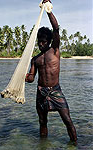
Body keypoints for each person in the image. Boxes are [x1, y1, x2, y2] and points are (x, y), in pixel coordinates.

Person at [25, 0, 77, 143]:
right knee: (42, 121)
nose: (41, 44)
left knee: (67, 119)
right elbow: (31, 79)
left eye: (43, 41)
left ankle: (75, 144)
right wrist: (24, 78)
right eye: (39, 42)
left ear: (48, 41)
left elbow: (56, 29)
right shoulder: (35, 59)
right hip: (41, 92)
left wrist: (48, 10)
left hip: (55, 90)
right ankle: (43, 145)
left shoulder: (54, 50)